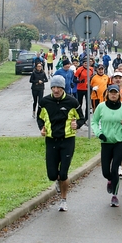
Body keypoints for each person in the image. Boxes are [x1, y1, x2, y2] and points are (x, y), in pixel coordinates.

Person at [36, 75, 86, 211]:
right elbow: (39, 118)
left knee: (63, 173)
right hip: (51, 140)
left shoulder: (72, 102)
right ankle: (57, 180)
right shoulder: (45, 102)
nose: (56, 90)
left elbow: (82, 118)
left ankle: (63, 200)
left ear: (63, 88)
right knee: (52, 175)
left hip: (67, 141)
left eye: (58, 87)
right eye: (53, 87)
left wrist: (78, 124)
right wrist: (42, 127)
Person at [91, 85, 122, 207]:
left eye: (115, 93)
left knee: (115, 168)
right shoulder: (101, 107)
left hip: (120, 141)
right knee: (106, 171)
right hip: (106, 142)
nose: (113, 95)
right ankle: (109, 180)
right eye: (111, 93)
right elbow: (94, 121)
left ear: (119, 94)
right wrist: (99, 134)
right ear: (107, 94)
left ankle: (114, 196)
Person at [74, 58, 94, 123]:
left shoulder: (91, 69)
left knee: (88, 104)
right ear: (83, 63)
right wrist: (79, 81)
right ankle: (80, 117)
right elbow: (74, 80)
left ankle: (86, 118)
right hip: (80, 89)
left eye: (87, 63)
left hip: (87, 89)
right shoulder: (79, 70)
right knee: (79, 104)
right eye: (85, 63)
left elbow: (92, 78)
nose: (86, 64)